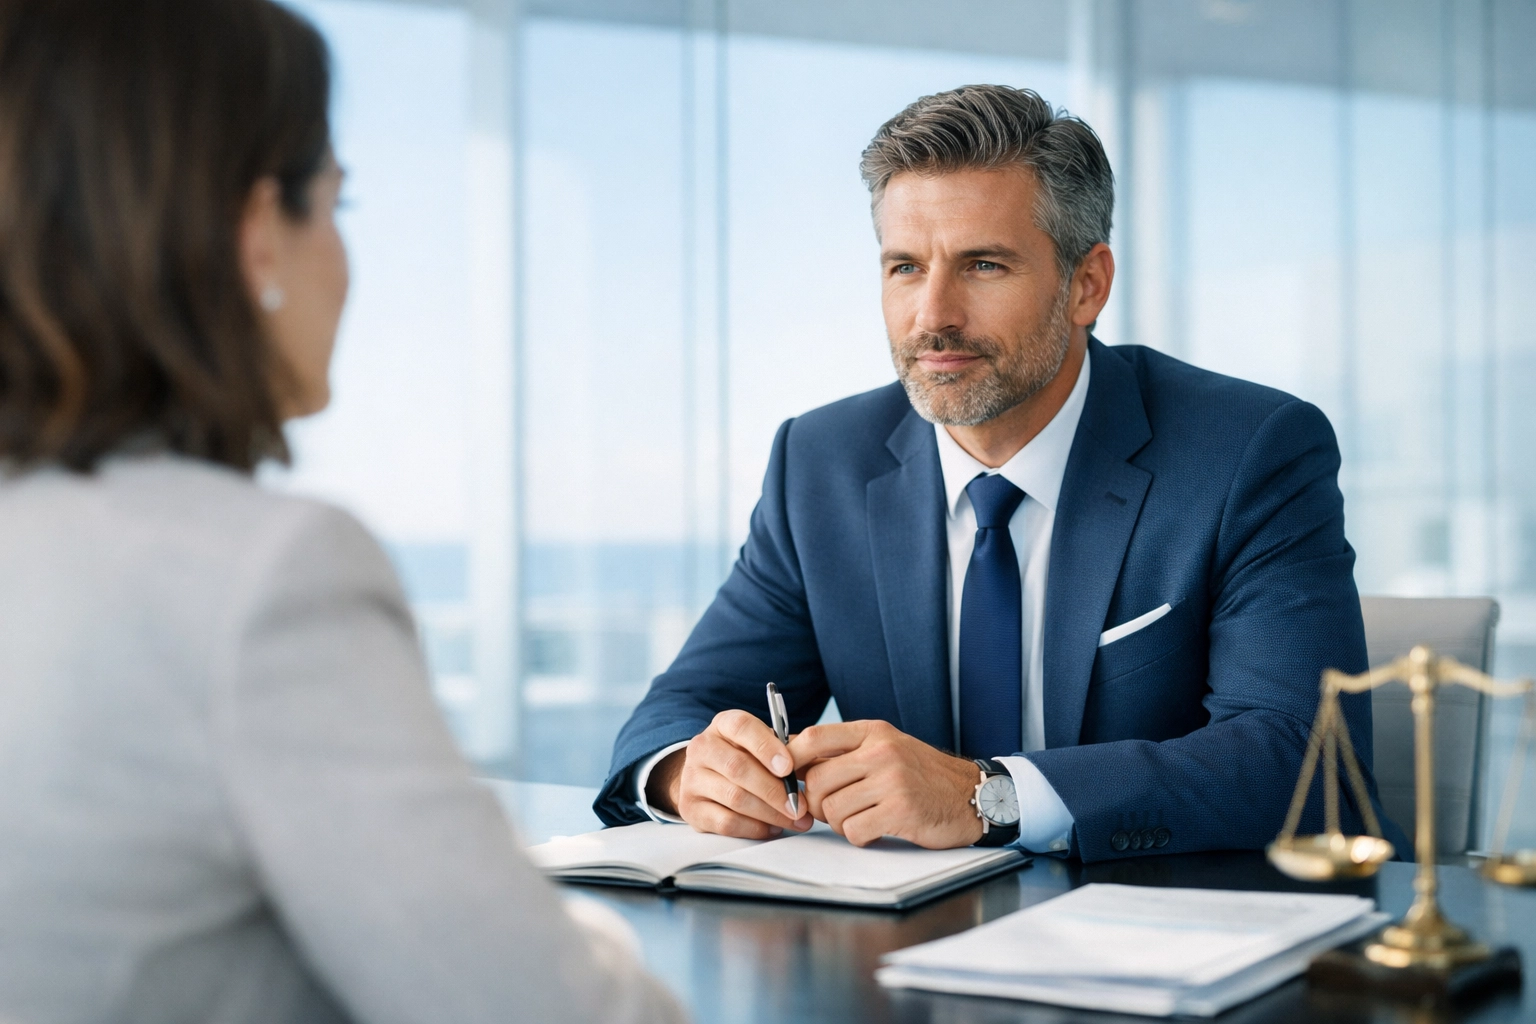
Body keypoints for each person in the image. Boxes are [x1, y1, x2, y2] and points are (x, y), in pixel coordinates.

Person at [0, 2, 683, 1021]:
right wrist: (574, 930)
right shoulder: (264, 578)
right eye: (335, 205)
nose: (348, 263)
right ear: (256, 235)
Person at [596, 84, 1406, 863]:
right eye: (905, 267)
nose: (932, 315)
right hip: (900, 956)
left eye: (982, 265)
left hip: (1159, 944)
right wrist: (687, 775)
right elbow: (676, 713)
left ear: (1086, 284)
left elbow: (1304, 762)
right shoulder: (820, 462)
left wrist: (989, 797)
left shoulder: (1249, 450)